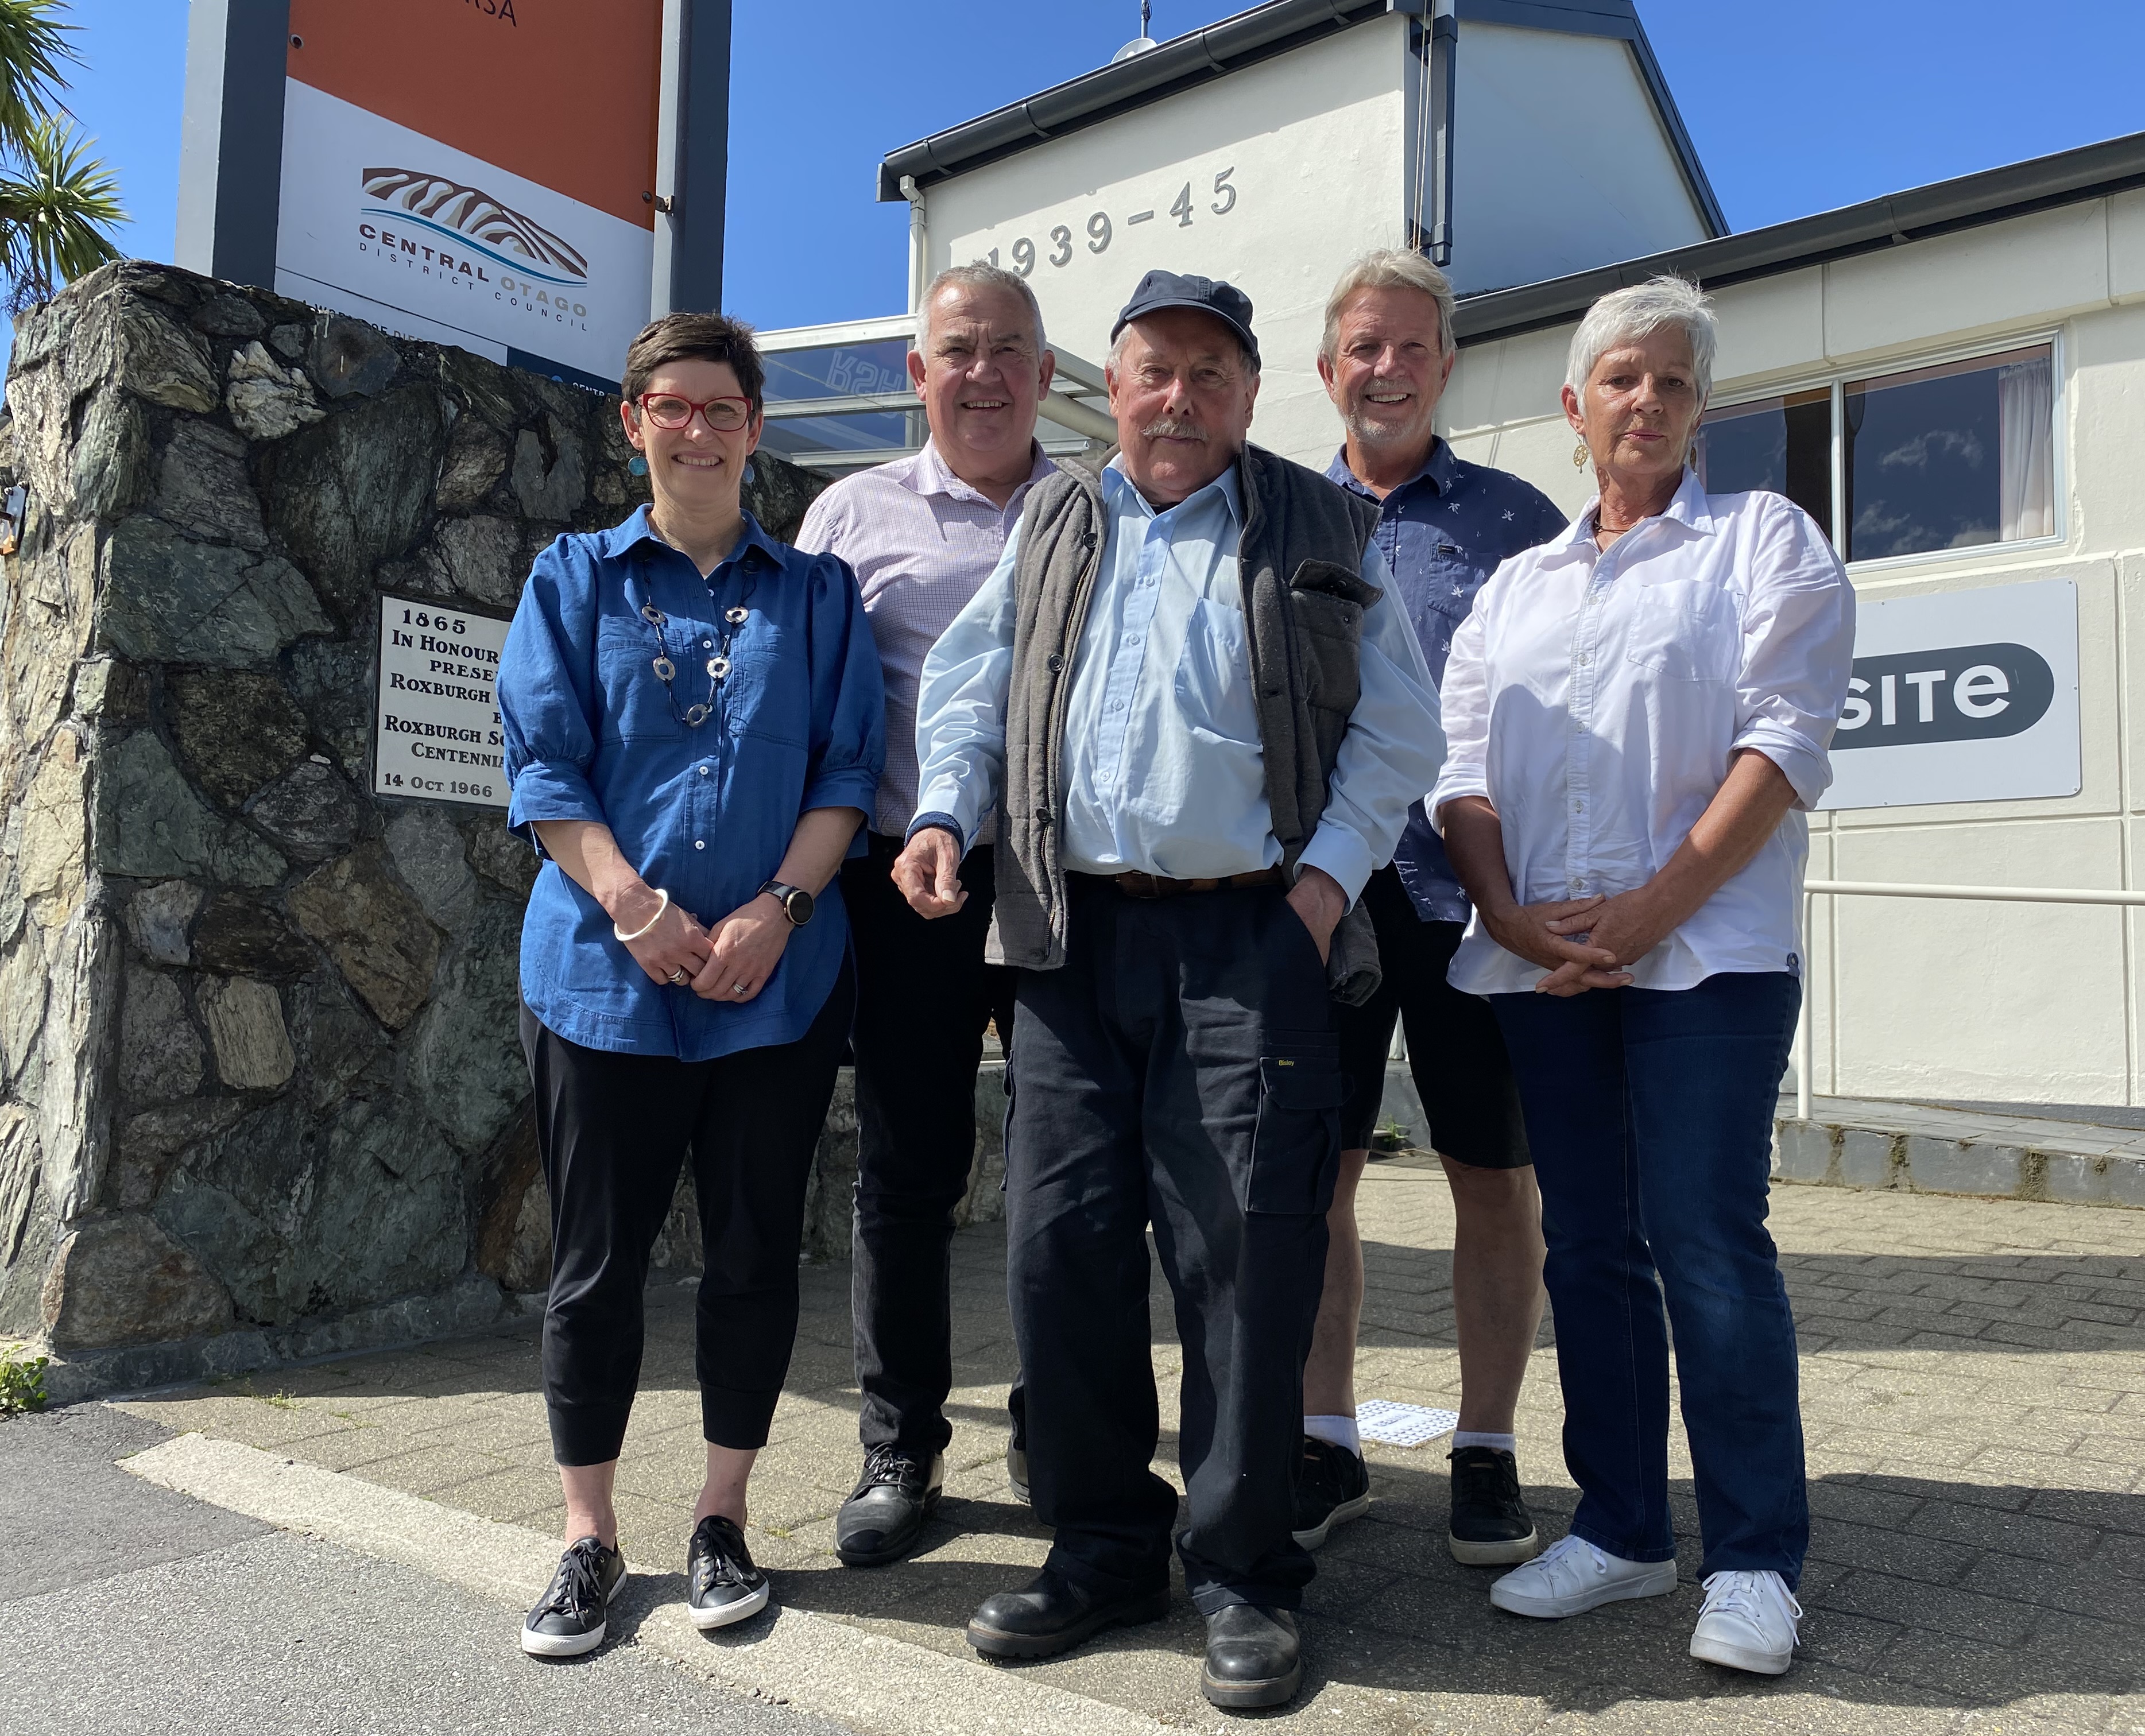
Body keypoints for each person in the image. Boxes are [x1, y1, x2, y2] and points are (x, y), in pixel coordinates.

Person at [897, 270, 1444, 1710]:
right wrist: (950, 814)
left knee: (1244, 1264)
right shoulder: (1060, 516)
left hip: (1247, 941)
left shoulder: (1322, 524)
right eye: (1155, 372)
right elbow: (972, 685)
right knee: (1056, 1249)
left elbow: (1400, 731)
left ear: (1252, 395)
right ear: (1116, 386)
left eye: (1211, 374)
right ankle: (1100, 1545)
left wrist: (1320, 889)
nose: (1180, 398)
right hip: (1068, 942)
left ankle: (1245, 1571)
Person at [1430, 276, 1854, 1676]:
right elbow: (1464, 772)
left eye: (1674, 381)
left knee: (1710, 1248)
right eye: (1621, 378)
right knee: (1592, 1250)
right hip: (1543, 968)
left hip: (1710, 967)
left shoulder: (1762, 542)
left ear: (1701, 407)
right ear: (1574, 407)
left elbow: (1785, 742)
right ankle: (1619, 1528)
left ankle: (1754, 1561)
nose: (1648, 401)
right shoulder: (1516, 585)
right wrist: (1509, 908)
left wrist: (1650, 913)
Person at [497, 312, 884, 1657]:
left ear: (757, 426)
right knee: (596, 1266)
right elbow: (546, 768)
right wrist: (636, 906)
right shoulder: (574, 579)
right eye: (676, 406)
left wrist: (780, 908)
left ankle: (722, 1517)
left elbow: (844, 771)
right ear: (636, 420)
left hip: (775, 983)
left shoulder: (818, 595)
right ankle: (586, 1537)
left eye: (726, 409)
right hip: (605, 981)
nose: (701, 430)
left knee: (752, 1257)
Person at [1296, 249, 1567, 1568]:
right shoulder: (1279, 514)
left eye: (1412, 347)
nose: (1387, 369)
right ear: (1328, 369)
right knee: (1320, 1173)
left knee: (1491, 1174)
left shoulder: (1522, 522)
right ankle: (1327, 1435)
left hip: (1475, 900)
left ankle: (1486, 1447)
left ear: (1445, 366)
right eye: (1364, 347)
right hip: (1326, 898)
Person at [792, 262, 1056, 1567]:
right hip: (906, 880)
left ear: (1048, 376)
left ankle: (1059, 1426)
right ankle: (901, 1444)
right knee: (908, 1171)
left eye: (1010, 347)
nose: (985, 371)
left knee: (1071, 1176)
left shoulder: (1099, 510)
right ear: (919, 374)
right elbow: (801, 706)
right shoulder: (850, 515)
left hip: (1071, 885)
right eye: (959, 347)